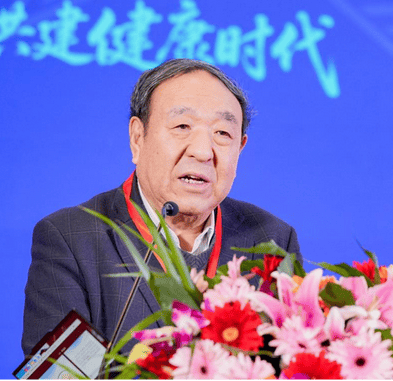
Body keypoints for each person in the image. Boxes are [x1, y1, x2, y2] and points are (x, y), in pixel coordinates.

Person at [21, 58, 302, 356]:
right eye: (182, 126)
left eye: (223, 133)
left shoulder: (272, 239)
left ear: (240, 148)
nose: (203, 151)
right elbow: (63, 372)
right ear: (137, 138)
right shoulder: (71, 239)